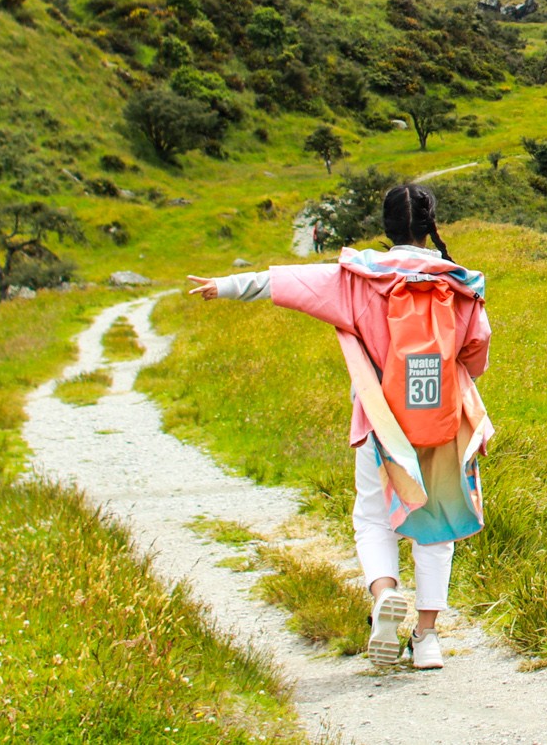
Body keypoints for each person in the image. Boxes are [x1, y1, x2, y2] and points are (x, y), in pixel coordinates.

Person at [188, 184, 491, 671]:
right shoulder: (460, 284)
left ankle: (384, 596)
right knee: (436, 528)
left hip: (379, 420)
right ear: (431, 222)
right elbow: (477, 349)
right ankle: (428, 639)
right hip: (441, 419)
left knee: (374, 515)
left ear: (387, 227)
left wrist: (222, 285)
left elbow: (282, 282)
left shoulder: (355, 279)